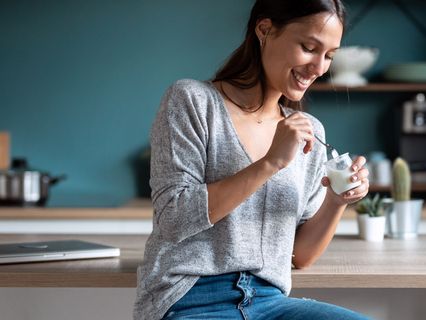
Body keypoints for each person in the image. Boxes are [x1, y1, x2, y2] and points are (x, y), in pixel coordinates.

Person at [133, 1, 371, 319]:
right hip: (190, 298)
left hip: (269, 302)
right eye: (309, 48)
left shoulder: (309, 132)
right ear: (265, 30)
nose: (319, 68)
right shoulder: (191, 101)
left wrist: (336, 200)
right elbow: (174, 219)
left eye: (329, 56)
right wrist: (270, 162)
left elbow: (301, 256)